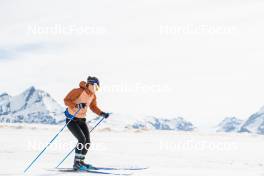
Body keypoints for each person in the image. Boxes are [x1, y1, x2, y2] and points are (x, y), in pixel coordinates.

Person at [64, 76, 110, 171]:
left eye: (98, 88)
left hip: (81, 120)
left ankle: (81, 162)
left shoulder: (93, 96)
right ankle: (76, 164)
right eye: (96, 87)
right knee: (81, 139)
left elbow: (93, 107)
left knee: (87, 142)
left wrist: (102, 113)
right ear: (90, 85)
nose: (96, 89)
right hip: (71, 119)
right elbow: (66, 100)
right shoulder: (78, 91)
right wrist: (77, 105)